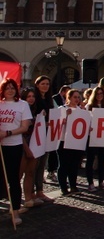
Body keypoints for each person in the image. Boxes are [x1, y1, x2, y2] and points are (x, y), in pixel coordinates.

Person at [0, 78, 32, 226]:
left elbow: (24, 127)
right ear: (3, 90)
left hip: (14, 145)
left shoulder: (23, 105)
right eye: (7, 88)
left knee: (13, 178)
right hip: (0, 146)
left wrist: (6, 133)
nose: (10, 90)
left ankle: (16, 210)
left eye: (13, 88)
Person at [57, 89, 85, 195]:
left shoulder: (81, 110)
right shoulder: (62, 109)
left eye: (78, 97)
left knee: (74, 164)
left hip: (76, 141)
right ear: (69, 98)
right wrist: (65, 116)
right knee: (64, 164)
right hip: (63, 140)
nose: (77, 99)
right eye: (75, 97)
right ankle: (63, 187)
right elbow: (57, 124)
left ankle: (73, 185)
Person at [32, 75, 54, 203]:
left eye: (47, 84)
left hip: (46, 133)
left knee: (42, 164)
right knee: (35, 163)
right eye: (43, 84)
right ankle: (32, 192)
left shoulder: (48, 99)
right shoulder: (35, 99)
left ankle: (40, 190)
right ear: (37, 85)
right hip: (36, 134)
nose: (45, 86)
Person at [19, 87, 41, 210]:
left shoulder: (34, 110)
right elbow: (21, 133)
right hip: (22, 145)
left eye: (33, 96)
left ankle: (28, 198)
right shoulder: (20, 111)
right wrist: (27, 149)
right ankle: (16, 201)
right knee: (19, 174)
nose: (31, 98)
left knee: (30, 172)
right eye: (28, 96)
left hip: (34, 144)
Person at [85, 86, 104, 190]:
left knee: (101, 159)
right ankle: (90, 182)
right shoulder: (89, 106)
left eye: (101, 94)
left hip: (102, 136)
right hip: (91, 136)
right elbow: (86, 120)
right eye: (98, 94)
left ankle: (101, 181)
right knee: (90, 159)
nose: (99, 95)